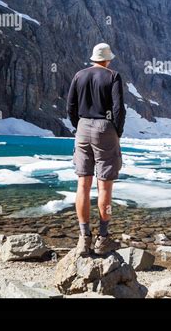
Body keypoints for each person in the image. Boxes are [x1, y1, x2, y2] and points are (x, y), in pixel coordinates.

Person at [67, 43, 126, 256]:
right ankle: (103, 238)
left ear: (93, 58)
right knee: (105, 187)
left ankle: (84, 239)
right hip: (105, 127)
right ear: (108, 59)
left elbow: (70, 107)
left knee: (83, 183)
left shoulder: (79, 75)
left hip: (83, 127)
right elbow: (119, 108)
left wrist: (79, 125)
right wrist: (115, 131)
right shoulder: (113, 76)